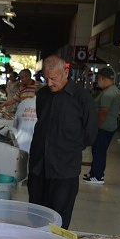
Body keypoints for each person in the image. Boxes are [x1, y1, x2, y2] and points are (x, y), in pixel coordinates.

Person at [28, 56, 97, 229]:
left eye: (54, 78)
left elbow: (90, 133)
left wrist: (66, 147)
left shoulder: (82, 97)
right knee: (35, 214)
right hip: (39, 166)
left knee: (58, 219)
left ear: (66, 73)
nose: (49, 83)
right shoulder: (42, 94)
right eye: (46, 78)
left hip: (64, 169)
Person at [84, 67, 120, 185]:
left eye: (98, 78)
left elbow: (103, 111)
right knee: (98, 150)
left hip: (103, 127)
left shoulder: (108, 93)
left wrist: (96, 126)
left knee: (99, 151)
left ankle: (98, 176)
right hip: (108, 126)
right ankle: (94, 172)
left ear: (102, 78)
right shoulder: (113, 90)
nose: (97, 81)